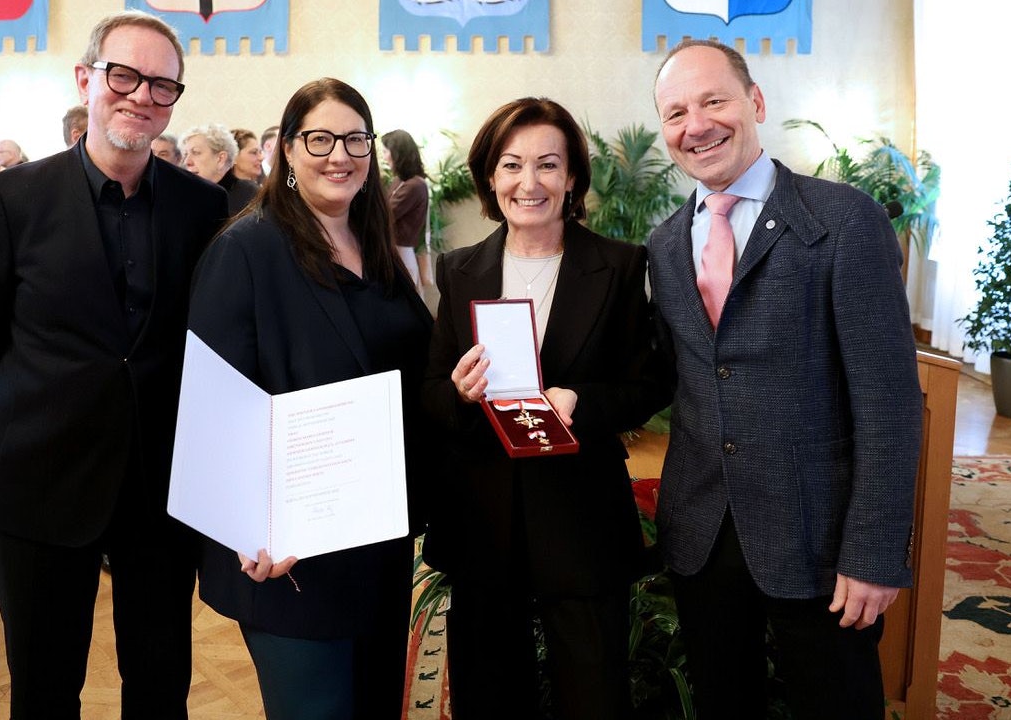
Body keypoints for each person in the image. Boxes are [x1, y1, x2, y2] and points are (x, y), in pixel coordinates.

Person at [0, 11, 228, 719]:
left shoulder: (203, 206)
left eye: (161, 85)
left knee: (161, 688)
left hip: (161, 487)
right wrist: (39, 410)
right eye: (124, 76)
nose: (141, 96)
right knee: (44, 692)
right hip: (42, 482)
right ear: (86, 79)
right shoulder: (12, 198)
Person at [646, 39, 922, 720]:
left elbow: (889, 406)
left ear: (756, 102)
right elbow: (674, 376)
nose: (696, 125)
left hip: (819, 539)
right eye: (676, 112)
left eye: (713, 101)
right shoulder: (663, 243)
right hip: (703, 534)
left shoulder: (844, 220)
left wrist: (874, 552)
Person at [188, 77, 432, 720]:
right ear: (288, 151)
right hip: (288, 550)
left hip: (375, 538)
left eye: (355, 139)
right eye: (319, 139)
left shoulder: (375, 244)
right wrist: (248, 524)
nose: (339, 155)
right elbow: (215, 403)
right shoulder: (247, 248)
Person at [421, 97, 664, 720]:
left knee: (594, 694)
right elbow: (432, 392)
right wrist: (460, 393)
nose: (528, 182)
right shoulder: (459, 270)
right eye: (511, 165)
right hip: (483, 520)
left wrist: (582, 400)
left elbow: (649, 384)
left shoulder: (619, 266)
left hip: (581, 517)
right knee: (488, 696)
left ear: (572, 177)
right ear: (490, 177)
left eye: (547, 165)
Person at [380, 129, 429, 290]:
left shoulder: (414, 186)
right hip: (395, 251)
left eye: (385, 151)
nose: (384, 157)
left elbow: (384, 215)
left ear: (397, 153)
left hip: (401, 252)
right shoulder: (400, 181)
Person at [182, 123, 257, 215]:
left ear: (221, 159)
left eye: (196, 152)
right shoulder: (184, 195)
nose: (187, 162)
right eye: (185, 154)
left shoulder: (250, 195)